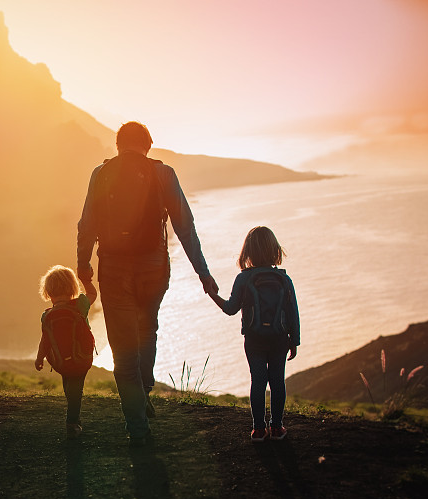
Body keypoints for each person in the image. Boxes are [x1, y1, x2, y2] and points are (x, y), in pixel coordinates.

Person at [77, 121, 218, 446]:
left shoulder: (101, 174)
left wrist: (84, 266)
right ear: (148, 145)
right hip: (154, 267)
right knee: (148, 329)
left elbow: (87, 224)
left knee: (124, 353)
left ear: (118, 145)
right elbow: (185, 225)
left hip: (112, 269)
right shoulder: (162, 173)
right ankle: (146, 394)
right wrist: (203, 273)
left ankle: (137, 427)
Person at [207, 226, 300, 442]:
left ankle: (258, 430)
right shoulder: (284, 279)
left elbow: (230, 309)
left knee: (258, 381)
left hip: (254, 339)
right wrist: (294, 341)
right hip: (279, 339)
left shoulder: (243, 279)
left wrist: (212, 294)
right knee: (277, 381)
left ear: (247, 251)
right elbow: (292, 312)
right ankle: (276, 428)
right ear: (275, 249)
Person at [35, 265, 98, 439]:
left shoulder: (46, 315)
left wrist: (39, 358)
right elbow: (93, 295)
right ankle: (72, 422)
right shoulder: (80, 304)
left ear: (48, 291)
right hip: (81, 358)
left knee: (69, 385)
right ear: (72, 287)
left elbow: (45, 340)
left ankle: (73, 415)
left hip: (60, 362)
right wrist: (87, 281)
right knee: (76, 389)